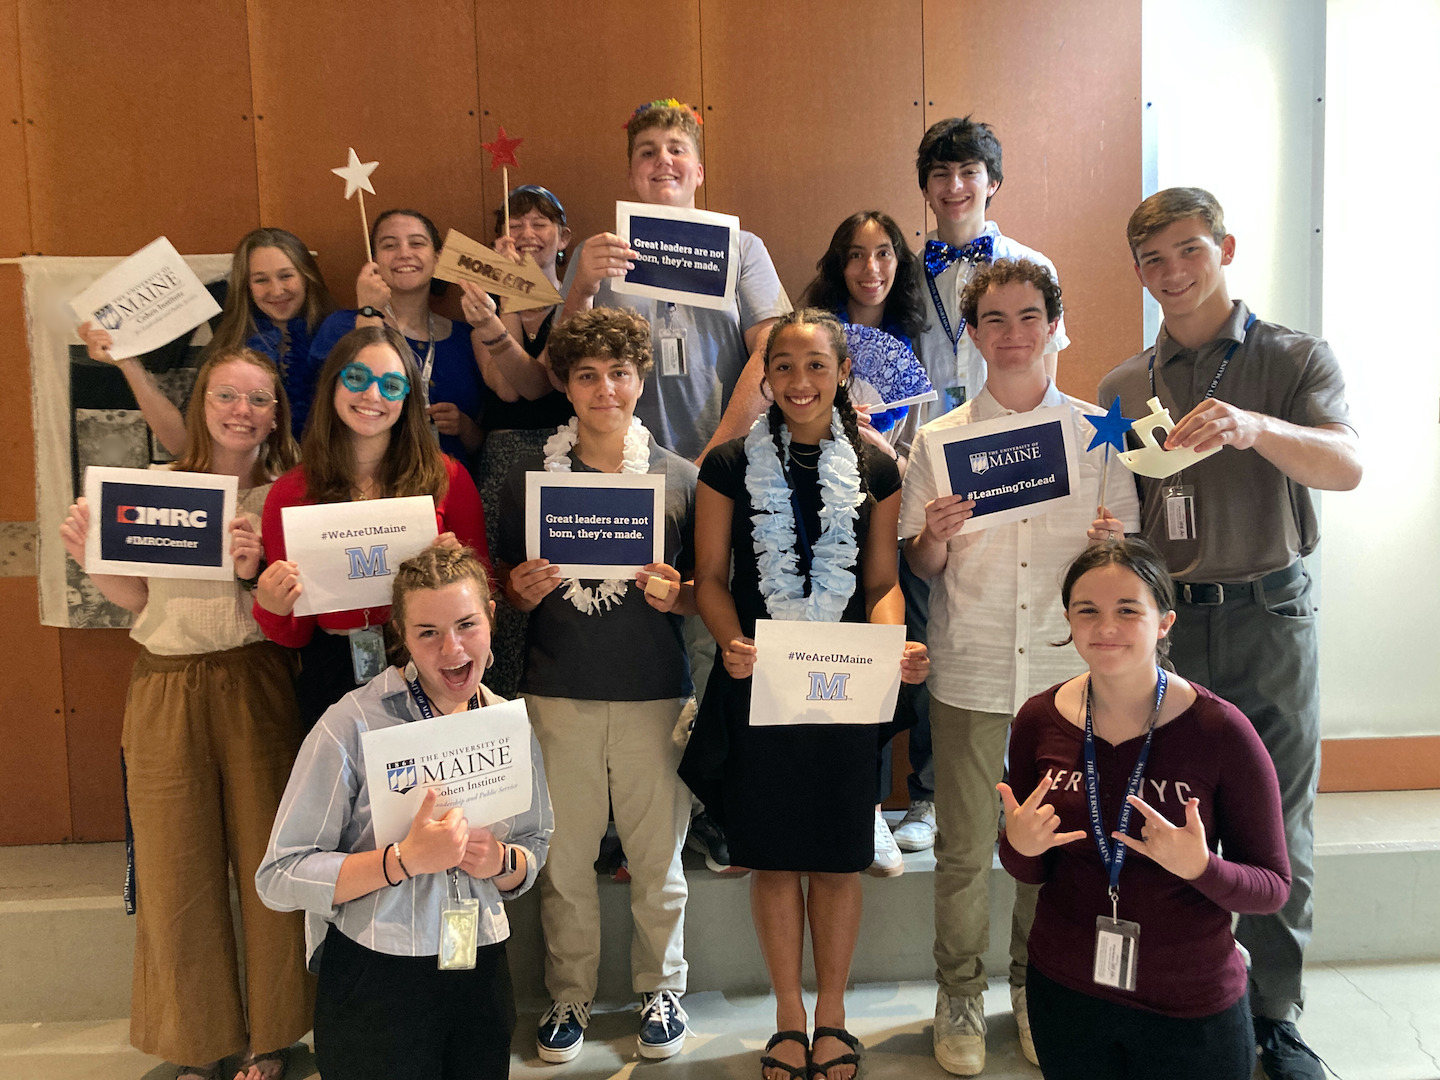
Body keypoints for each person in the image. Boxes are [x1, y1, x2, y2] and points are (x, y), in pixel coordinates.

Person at [1096, 187, 1361, 1080]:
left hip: (1269, 618)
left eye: (1188, 251)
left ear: (1225, 248)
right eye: (1153, 261)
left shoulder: (1291, 358)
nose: (1172, 273)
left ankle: (1275, 1018)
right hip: (1168, 631)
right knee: (1168, 814)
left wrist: (1256, 428)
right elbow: (1135, 506)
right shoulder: (1125, 385)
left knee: (1276, 820)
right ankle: (1192, 995)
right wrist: (1112, 542)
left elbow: (1349, 463)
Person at [900, 258, 1141, 1074]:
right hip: (969, 673)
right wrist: (934, 533)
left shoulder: (1099, 435)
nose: (1012, 334)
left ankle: (1035, 990)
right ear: (972, 333)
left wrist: (1117, 548)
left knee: (1053, 846)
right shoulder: (938, 440)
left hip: (1065, 685)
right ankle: (959, 995)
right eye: (994, 320)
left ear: (1054, 324)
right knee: (966, 851)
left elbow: (1127, 568)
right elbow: (925, 567)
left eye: (1028, 316)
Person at [680, 309, 929, 1080]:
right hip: (759, 682)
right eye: (783, 365)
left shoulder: (879, 467)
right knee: (775, 860)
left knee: (837, 857)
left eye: (816, 365)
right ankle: (788, 1016)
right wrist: (728, 641)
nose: (799, 380)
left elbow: (883, 581)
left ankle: (834, 1018)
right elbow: (713, 581)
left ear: (842, 373)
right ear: (764, 377)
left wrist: (895, 647)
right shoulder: (726, 464)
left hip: (843, 686)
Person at [58, 347, 310, 1080]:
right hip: (166, 684)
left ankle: (274, 1035)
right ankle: (197, 1041)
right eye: (227, 395)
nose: (242, 411)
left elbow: (293, 613)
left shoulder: (284, 498)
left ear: (276, 413)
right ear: (202, 404)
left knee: (270, 860)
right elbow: (139, 599)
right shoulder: (154, 488)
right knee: (176, 869)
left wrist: (255, 569)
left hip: (257, 680)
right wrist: (91, 556)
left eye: (259, 399)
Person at [255, 546, 552, 1080]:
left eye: (466, 625)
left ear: (492, 616)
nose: (452, 649)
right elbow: (279, 876)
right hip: (376, 979)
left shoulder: (506, 723)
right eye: (428, 633)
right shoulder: (350, 724)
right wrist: (400, 861)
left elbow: (535, 844)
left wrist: (501, 862)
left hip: (478, 967)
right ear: (402, 635)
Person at [997, 538, 1290, 1079]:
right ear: (1068, 620)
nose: (1106, 626)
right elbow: (1028, 868)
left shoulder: (1221, 731)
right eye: (1088, 610)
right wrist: (1019, 848)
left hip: (1190, 1002)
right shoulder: (1038, 719)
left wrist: (1202, 867)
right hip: (1065, 988)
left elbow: (1272, 887)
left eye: (1128, 610)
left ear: (1164, 622)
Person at [496, 307, 698, 1063]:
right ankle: (569, 995)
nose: (605, 389)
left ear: (641, 379)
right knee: (565, 858)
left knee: (658, 860)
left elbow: (703, 593)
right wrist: (516, 590)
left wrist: (675, 594)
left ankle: (661, 986)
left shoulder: (679, 478)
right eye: (587, 375)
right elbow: (510, 593)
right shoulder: (531, 481)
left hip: (653, 693)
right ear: (565, 385)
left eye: (619, 373)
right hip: (559, 693)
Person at [254, 324, 489, 727]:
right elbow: (291, 636)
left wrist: (460, 573)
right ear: (333, 385)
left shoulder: (446, 477)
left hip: (431, 665)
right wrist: (272, 607)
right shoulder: (290, 493)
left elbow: (484, 600)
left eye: (392, 384)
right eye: (358, 378)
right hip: (333, 669)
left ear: (408, 397)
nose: (373, 395)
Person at [800, 210, 930, 874]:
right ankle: (819, 804)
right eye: (855, 254)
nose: (870, 268)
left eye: (884, 253)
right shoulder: (811, 339)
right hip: (818, 525)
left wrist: (884, 453)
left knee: (884, 661)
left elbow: (924, 456)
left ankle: (874, 809)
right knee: (820, 667)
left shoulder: (914, 348)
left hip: (896, 521)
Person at [78, 226, 337, 452]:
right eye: (261, 280)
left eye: (286, 275)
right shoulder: (227, 352)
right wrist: (127, 364)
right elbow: (182, 444)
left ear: (307, 276)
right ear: (245, 286)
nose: (276, 290)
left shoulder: (339, 338)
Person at [465, 184, 576, 697]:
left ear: (563, 239)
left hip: (566, 454)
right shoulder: (481, 309)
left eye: (540, 223)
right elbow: (505, 387)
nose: (527, 233)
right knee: (506, 586)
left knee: (559, 582)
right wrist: (505, 294)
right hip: (504, 457)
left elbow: (538, 379)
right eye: (515, 223)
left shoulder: (576, 308)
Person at [911, 116, 1068, 427]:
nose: (954, 186)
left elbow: (1047, 374)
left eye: (969, 172)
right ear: (926, 190)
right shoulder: (905, 275)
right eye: (941, 174)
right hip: (928, 446)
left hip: (1012, 442)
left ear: (992, 183)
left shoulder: (1034, 268)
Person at [305, 209, 487, 462]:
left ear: (437, 258)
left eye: (416, 243)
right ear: (374, 259)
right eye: (390, 245)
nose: (404, 253)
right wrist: (369, 313)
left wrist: (465, 428)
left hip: (449, 486)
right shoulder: (341, 327)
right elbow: (327, 417)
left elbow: (481, 442)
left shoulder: (466, 337)